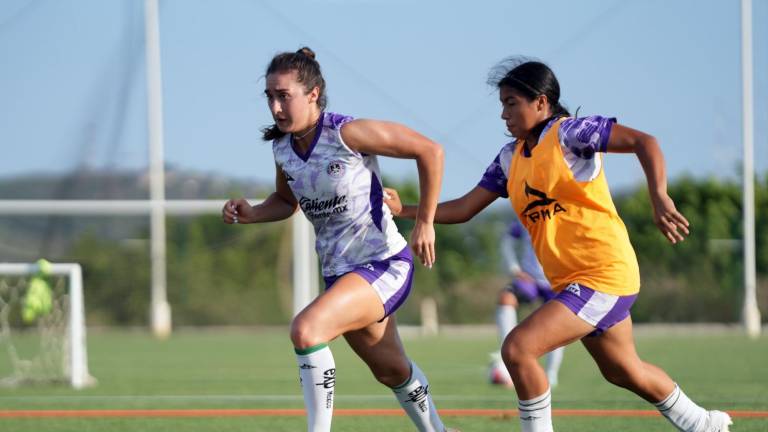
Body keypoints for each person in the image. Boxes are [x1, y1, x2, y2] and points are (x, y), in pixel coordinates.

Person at [384, 57, 732, 432]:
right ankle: (704, 423)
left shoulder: (571, 134)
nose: (503, 114)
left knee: (518, 349)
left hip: (604, 273)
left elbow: (644, 142)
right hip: (573, 283)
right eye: (502, 104)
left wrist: (659, 196)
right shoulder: (509, 158)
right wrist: (404, 208)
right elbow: (465, 208)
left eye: (511, 102)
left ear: (541, 102)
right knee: (624, 371)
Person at [222, 47, 454, 432]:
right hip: (340, 274)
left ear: (313, 94)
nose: (276, 107)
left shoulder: (347, 133)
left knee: (306, 330)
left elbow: (430, 150)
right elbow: (286, 201)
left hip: (383, 265)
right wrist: (252, 213)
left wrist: (425, 221)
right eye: (270, 97)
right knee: (391, 370)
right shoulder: (283, 148)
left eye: (284, 96)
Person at [489, 218, 564, 389]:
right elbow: (507, 239)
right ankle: (506, 359)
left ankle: (551, 373)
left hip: (558, 281)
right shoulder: (529, 214)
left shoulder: (566, 213)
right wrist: (514, 268)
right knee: (505, 298)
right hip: (530, 279)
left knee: (557, 325)